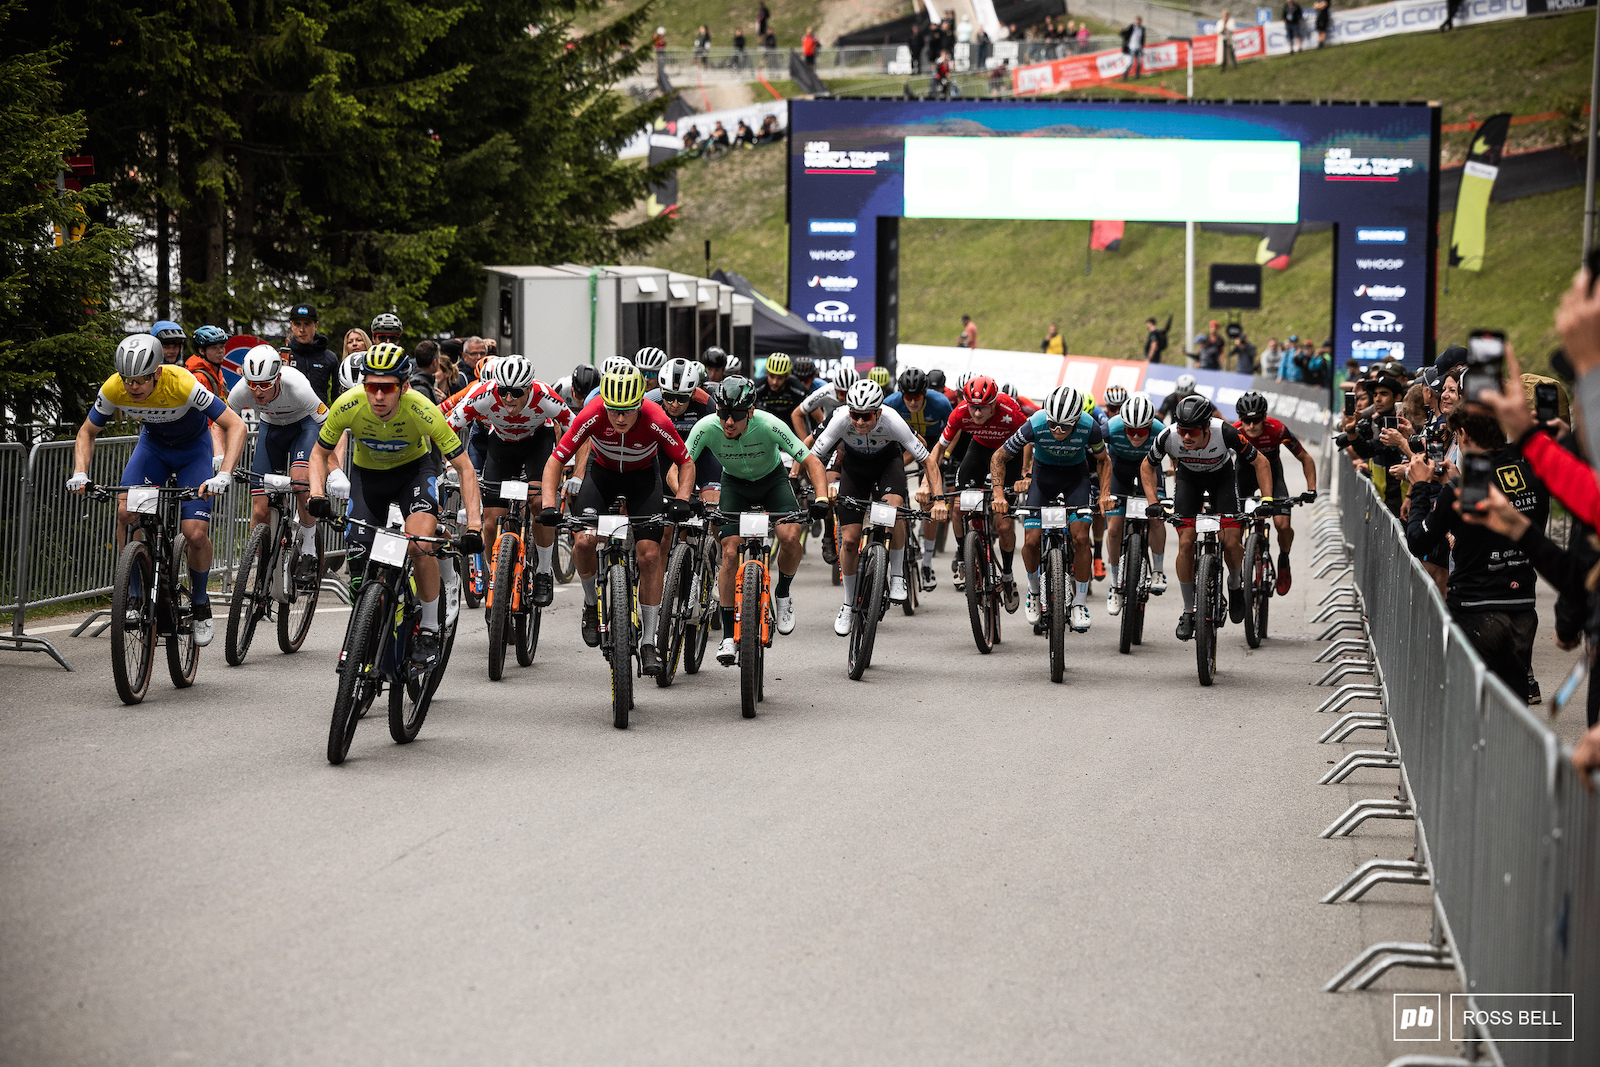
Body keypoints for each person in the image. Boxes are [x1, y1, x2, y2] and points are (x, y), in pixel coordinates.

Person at [308, 342, 483, 666]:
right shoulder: (348, 404)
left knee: (418, 544)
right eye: (371, 386)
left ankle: (430, 626)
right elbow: (319, 454)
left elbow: (464, 467)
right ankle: (369, 625)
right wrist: (318, 494)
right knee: (360, 558)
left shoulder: (422, 408)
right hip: (368, 478)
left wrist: (473, 525)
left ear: (403, 387)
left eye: (386, 388)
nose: (377, 396)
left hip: (412, 475)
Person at [67, 334, 247, 648]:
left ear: (158, 374)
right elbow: (87, 431)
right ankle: (134, 593)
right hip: (153, 450)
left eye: (140, 381)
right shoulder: (113, 388)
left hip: (193, 452)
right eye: (127, 380)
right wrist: (80, 472)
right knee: (126, 513)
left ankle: (201, 602)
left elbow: (236, 425)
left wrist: (224, 474)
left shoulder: (182, 383)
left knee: (195, 534)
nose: (132, 388)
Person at [538, 365, 695, 675]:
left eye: (628, 411)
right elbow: (556, 459)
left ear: (640, 405)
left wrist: (682, 500)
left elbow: (685, 463)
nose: (620, 418)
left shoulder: (656, 418)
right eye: (614, 411)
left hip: (642, 481)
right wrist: (547, 503)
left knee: (649, 555)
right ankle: (589, 605)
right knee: (584, 540)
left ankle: (649, 642)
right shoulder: (592, 413)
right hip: (602, 476)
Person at [1405, 406, 1548, 704]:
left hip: (1476, 607)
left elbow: (1418, 540)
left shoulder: (1463, 488)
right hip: (1522, 605)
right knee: (1512, 711)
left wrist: (1419, 486)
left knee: (1467, 708)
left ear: (1465, 435)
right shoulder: (1534, 476)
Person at [686, 377, 829, 663]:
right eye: (722, 413)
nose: (728, 422)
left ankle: (784, 593)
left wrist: (822, 499)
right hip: (735, 485)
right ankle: (728, 636)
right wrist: (684, 496)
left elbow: (812, 461)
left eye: (736, 415)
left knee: (790, 537)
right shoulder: (705, 428)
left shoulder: (769, 424)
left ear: (749, 412)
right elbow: (683, 463)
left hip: (772, 481)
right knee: (729, 553)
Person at [813, 379, 946, 632]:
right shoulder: (841, 418)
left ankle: (897, 576)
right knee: (850, 540)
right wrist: (823, 491)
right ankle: (848, 603)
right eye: (856, 415)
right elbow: (814, 458)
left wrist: (938, 499)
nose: (860, 422)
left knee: (891, 513)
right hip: (854, 469)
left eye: (867, 416)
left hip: (887, 465)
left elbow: (928, 461)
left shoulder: (893, 420)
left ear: (879, 412)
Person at [1141, 394, 1273, 641]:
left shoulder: (1225, 433)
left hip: (1221, 478)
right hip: (1188, 480)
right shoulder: (1168, 436)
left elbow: (1261, 463)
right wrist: (1153, 503)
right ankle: (1188, 610)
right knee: (1185, 542)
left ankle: (1234, 586)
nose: (1186, 437)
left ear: (1205, 428)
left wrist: (1266, 501)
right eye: (1183, 431)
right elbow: (1146, 466)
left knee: (1232, 541)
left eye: (1192, 432)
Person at [445, 354, 569, 609]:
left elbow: (576, 429)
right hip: (501, 445)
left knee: (538, 504)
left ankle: (544, 572)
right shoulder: (485, 394)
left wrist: (572, 468)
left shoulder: (545, 396)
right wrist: (451, 463)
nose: (509, 398)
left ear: (529, 388)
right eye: (504, 391)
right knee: (490, 522)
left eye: (516, 392)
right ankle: (496, 576)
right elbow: (447, 427)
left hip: (537, 441)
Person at [993, 385, 1110, 633]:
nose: (1057, 431)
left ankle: (1079, 603)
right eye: (1053, 425)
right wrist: (999, 494)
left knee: (1080, 538)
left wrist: (1104, 494)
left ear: (1076, 420)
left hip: (1075, 479)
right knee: (1032, 540)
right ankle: (1034, 593)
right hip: (1042, 478)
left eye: (1064, 427)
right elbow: (999, 457)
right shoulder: (1035, 422)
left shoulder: (1090, 426)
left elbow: (1103, 461)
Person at [226, 345, 327, 584]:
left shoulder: (298, 386)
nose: (258, 392)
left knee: (300, 484)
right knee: (260, 509)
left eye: (265, 385)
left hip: (304, 427)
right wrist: (220, 458)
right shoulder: (240, 391)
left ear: (278, 378)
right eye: (253, 384)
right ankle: (261, 566)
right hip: (271, 431)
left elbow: (328, 425)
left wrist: (330, 469)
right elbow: (222, 422)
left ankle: (310, 552)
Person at [934, 375, 1029, 602]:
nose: (976, 413)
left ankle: (1006, 574)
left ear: (995, 403)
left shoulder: (1010, 411)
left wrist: (1025, 472)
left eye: (983, 408)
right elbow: (940, 447)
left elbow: (1029, 440)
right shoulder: (960, 411)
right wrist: (929, 481)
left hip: (1009, 454)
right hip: (979, 450)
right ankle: (963, 556)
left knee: (1003, 524)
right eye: (973, 407)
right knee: (957, 507)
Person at [1233, 391, 1317, 593]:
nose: (1251, 426)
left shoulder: (1277, 430)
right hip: (1243, 475)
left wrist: (1311, 489)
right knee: (1232, 528)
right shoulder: (1233, 432)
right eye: (1246, 420)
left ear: (1264, 418)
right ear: (1240, 419)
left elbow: (1305, 458)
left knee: (1282, 524)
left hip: (1273, 474)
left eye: (1256, 420)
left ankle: (1284, 559)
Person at [886, 367, 954, 589]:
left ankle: (927, 562)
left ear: (925, 394)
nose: (913, 402)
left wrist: (946, 456)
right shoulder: (891, 403)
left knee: (929, 502)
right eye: (908, 397)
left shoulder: (941, 403)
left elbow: (954, 431)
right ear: (901, 394)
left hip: (933, 448)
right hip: (902, 446)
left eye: (917, 397)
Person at [1102, 394, 1169, 613]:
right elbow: (1093, 451)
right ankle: (1114, 583)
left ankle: (1157, 570)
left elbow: (1177, 457)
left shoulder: (1161, 430)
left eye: (1142, 431)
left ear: (1151, 425)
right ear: (1124, 425)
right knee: (1113, 528)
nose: (1137, 436)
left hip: (1150, 470)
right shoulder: (1111, 428)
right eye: (1131, 431)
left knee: (1157, 518)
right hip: (1120, 471)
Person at [649, 358, 721, 506]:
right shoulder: (650, 402)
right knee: (667, 521)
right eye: (669, 397)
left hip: (700, 456)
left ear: (693, 392)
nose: (675, 404)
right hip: (663, 456)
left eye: (682, 398)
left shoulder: (706, 403)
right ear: (661, 389)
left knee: (713, 505)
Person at [285, 303, 341, 406]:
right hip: (288, 417)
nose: (302, 329)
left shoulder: (329, 358)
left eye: (307, 324)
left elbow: (336, 394)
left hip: (319, 415)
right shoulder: (282, 356)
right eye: (298, 324)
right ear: (292, 325)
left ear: (315, 325)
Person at [753, 352, 809, 432]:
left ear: (787, 377)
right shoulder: (758, 387)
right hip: (765, 430)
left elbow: (809, 417)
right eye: (771, 376)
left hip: (790, 431)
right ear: (767, 374)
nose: (774, 382)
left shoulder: (798, 389)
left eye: (780, 378)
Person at [185, 325, 230, 400]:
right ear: (202, 351)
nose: (220, 351)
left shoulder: (217, 373)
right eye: (214, 348)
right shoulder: (198, 378)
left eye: (222, 347)